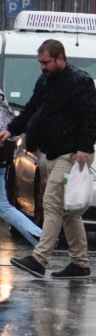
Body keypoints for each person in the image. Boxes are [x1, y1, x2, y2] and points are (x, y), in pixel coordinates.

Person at [0, 39, 96, 279]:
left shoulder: (80, 81)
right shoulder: (46, 80)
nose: (42, 67)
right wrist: (11, 129)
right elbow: (32, 107)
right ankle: (80, 263)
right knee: (68, 212)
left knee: (52, 203)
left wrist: (84, 148)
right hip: (57, 153)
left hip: (72, 154)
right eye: (40, 63)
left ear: (60, 59)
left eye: (46, 62)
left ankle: (39, 258)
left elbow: (92, 117)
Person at [0, 91, 43, 246]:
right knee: (3, 205)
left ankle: (41, 238)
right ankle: (39, 237)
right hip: (4, 153)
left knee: (3, 204)